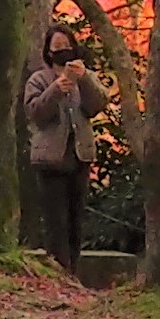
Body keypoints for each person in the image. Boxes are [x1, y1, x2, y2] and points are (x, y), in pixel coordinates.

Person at [20, 26, 102, 274]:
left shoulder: (83, 77)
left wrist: (84, 78)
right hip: (50, 159)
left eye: (65, 45)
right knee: (56, 221)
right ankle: (59, 272)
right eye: (56, 47)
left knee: (76, 219)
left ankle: (74, 271)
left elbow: (97, 105)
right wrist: (55, 89)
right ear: (48, 50)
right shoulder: (39, 80)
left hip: (80, 155)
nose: (61, 51)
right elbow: (35, 114)